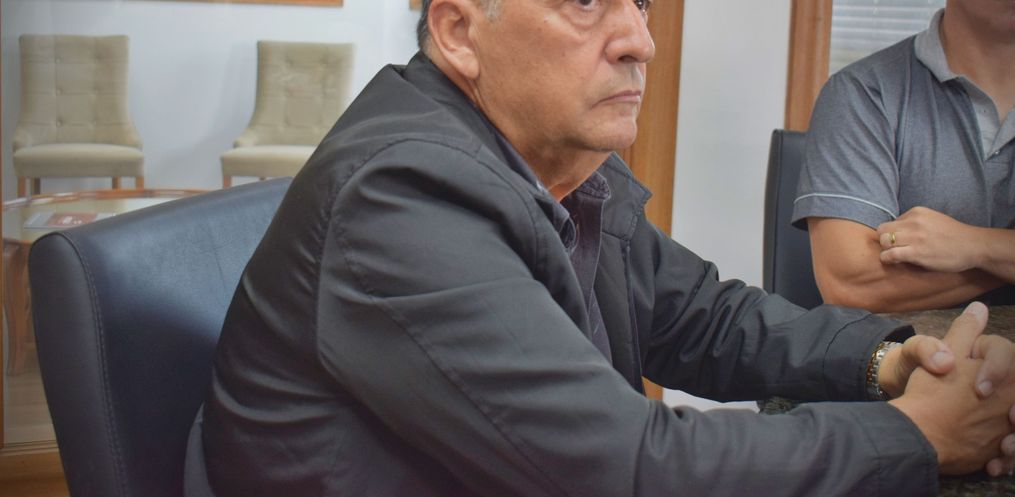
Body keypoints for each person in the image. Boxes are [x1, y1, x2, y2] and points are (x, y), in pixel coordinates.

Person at [184, 1, 1015, 495]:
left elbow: (703, 318)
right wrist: (914, 435)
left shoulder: (560, 162)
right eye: (584, 2)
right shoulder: (402, 196)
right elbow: (624, 468)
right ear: (459, 30)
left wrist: (890, 360)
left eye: (639, 3)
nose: (638, 40)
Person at [792, 0, 1015, 313]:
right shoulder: (864, 93)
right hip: (908, 345)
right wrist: (1000, 260)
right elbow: (850, 285)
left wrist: (976, 246)